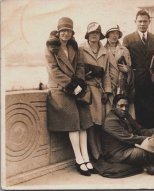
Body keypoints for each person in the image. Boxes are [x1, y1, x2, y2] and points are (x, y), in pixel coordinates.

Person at [45, 17, 95, 176]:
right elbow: (54, 71)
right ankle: (79, 159)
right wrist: (71, 85)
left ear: (72, 32)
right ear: (58, 32)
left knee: (84, 122)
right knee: (73, 123)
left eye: (68, 31)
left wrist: (79, 82)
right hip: (61, 89)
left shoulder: (74, 47)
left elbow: (80, 65)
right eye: (63, 31)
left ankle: (86, 157)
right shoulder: (51, 48)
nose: (65, 34)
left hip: (76, 88)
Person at [100, 94, 154, 175]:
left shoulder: (126, 115)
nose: (124, 109)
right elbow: (129, 138)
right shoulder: (110, 121)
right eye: (121, 106)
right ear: (113, 106)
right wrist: (151, 137)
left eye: (126, 106)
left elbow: (140, 130)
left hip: (129, 147)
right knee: (149, 153)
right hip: (119, 153)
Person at [123, 10, 154, 129]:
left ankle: (151, 135)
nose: (142, 24)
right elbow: (124, 58)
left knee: (151, 108)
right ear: (135, 22)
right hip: (136, 80)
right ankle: (141, 137)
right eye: (140, 21)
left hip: (151, 81)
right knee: (138, 109)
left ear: (149, 22)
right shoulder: (128, 39)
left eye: (145, 21)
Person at [79, 22, 112, 161]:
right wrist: (87, 75)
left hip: (101, 92)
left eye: (97, 33)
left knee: (102, 123)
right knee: (90, 123)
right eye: (92, 33)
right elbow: (77, 71)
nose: (94, 35)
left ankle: (101, 152)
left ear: (100, 35)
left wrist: (107, 91)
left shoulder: (105, 52)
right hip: (87, 92)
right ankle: (95, 154)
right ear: (87, 35)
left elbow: (107, 74)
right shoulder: (81, 49)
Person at [104, 25, 135, 116]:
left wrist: (128, 69)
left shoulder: (124, 50)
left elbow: (130, 67)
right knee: (109, 111)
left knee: (122, 108)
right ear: (107, 35)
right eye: (112, 33)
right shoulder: (102, 49)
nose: (114, 36)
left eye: (117, 33)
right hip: (108, 85)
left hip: (122, 85)